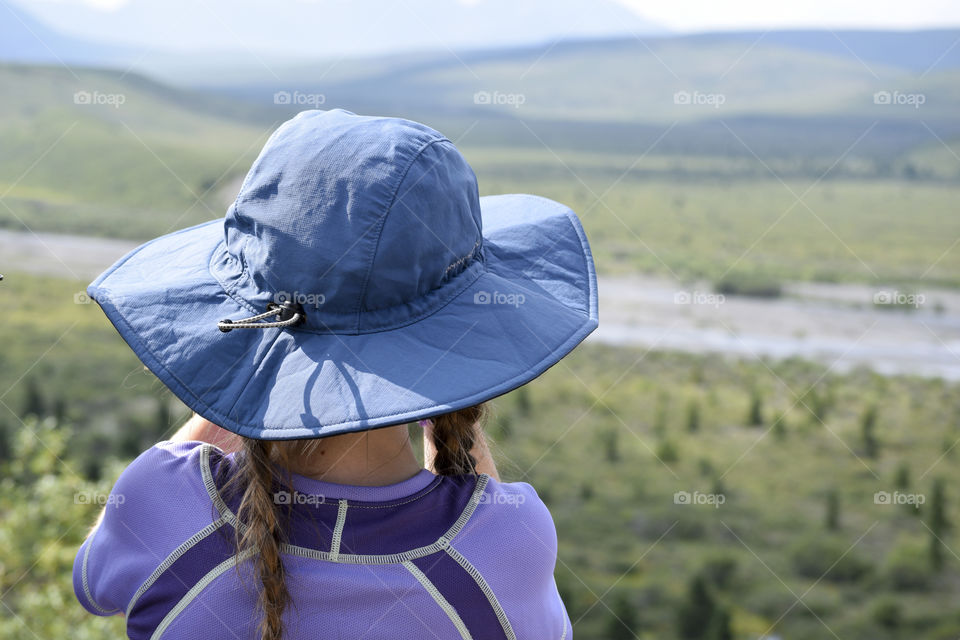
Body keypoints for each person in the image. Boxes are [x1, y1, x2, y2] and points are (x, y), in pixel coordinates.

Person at [73, 109, 598, 639]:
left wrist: (241, 375)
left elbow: (93, 585)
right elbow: (481, 529)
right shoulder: (505, 547)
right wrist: (438, 382)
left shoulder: (162, 505)